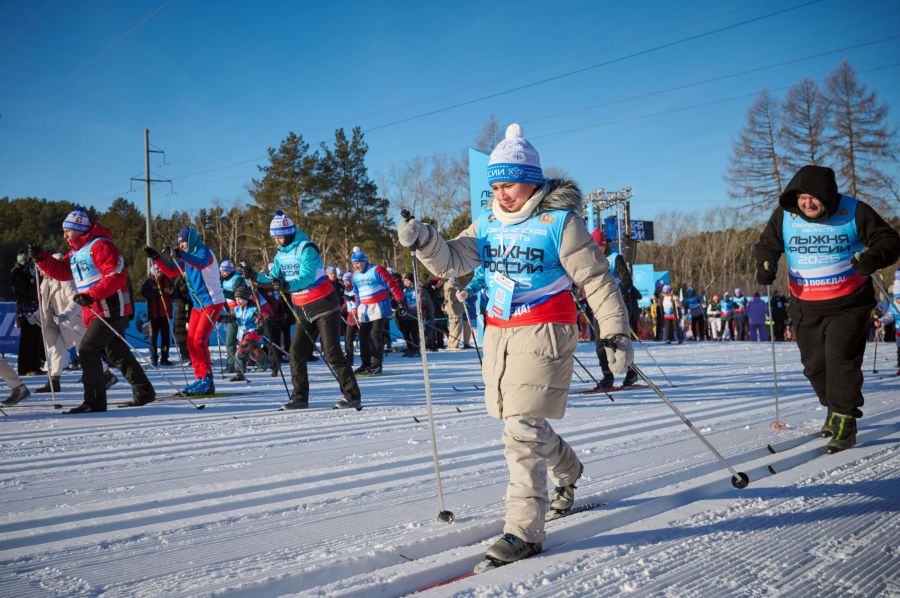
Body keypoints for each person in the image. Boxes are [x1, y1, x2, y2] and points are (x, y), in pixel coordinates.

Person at [397, 123, 633, 569]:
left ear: (531, 181)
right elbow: (453, 260)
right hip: (499, 332)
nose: (501, 195)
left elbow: (597, 280)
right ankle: (569, 470)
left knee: (521, 427)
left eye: (508, 185)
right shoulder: (488, 221)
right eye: (495, 187)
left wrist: (614, 332)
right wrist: (425, 240)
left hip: (547, 330)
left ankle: (524, 531)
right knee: (519, 418)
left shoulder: (560, 223)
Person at [754, 165, 900, 452]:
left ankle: (845, 418)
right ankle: (833, 407)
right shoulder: (785, 215)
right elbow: (767, 245)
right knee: (815, 366)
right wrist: (765, 265)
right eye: (802, 198)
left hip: (849, 303)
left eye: (814, 197)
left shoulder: (854, 211)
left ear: (828, 196)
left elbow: (889, 241)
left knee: (840, 359)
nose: (807, 203)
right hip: (805, 304)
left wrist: (873, 257)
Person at [32, 208, 155, 412]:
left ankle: (94, 401)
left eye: (68, 231)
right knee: (116, 351)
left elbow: (116, 275)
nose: (65, 236)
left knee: (87, 350)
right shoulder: (76, 252)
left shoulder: (100, 245)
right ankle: (144, 391)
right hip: (94, 308)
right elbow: (62, 271)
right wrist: (42, 258)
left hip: (110, 306)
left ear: (79, 229)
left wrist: (92, 295)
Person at [264, 211, 362, 410]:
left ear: (289, 233)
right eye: (274, 238)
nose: (277, 241)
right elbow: (272, 279)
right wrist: (253, 277)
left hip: (324, 305)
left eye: (279, 237)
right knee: (296, 352)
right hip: (303, 310)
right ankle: (299, 398)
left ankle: (352, 395)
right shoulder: (280, 254)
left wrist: (285, 285)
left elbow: (307, 277)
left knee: (332, 352)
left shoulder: (306, 248)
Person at [145, 226, 225, 396]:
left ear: (191, 241)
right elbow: (171, 272)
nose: (182, 247)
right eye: (180, 245)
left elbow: (201, 263)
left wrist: (181, 255)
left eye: (184, 244)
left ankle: (207, 380)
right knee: (190, 342)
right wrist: (157, 258)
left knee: (199, 341)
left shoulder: (205, 252)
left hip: (211, 302)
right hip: (198, 304)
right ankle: (200, 377)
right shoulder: (188, 259)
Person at [350, 247, 406, 375]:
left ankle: (376, 364)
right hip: (364, 308)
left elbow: (392, 284)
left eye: (358, 263)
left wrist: (400, 301)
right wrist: (358, 308)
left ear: (364, 261)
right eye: (354, 264)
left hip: (379, 306)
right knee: (363, 336)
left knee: (375, 334)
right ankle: (365, 364)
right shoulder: (355, 275)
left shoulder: (377, 270)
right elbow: (357, 294)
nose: (356, 266)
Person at [35, 253, 85, 392]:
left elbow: (76, 301)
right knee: (57, 349)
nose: (40, 272)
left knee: (85, 350)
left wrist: (65, 315)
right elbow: (47, 305)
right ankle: (54, 382)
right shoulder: (46, 283)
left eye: (42, 269)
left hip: (74, 322)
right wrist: (36, 315)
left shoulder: (66, 280)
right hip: (60, 324)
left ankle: (105, 374)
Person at [11, 249, 45, 376]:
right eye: (23, 259)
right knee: (27, 341)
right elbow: (25, 290)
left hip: (34, 309)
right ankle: (24, 367)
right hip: (25, 311)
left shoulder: (28, 271)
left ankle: (35, 366)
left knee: (36, 339)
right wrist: (32, 281)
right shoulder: (16, 273)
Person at [231, 286, 273, 379]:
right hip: (242, 335)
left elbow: (259, 319)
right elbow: (229, 318)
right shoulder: (237, 309)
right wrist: (219, 318)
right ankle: (271, 364)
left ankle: (239, 373)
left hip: (252, 334)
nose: (238, 301)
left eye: (240, 299)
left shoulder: (253, 308)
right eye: (236, 299)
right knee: (255, 355)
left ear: (246, 298)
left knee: (240, 352)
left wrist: (260, 327)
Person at [140, 264, 174, 367]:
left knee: (166, 338)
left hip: (165, 314)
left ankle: (165, 358)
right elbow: (145, 293)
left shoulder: (167, 280)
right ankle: (153, 358)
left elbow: (175, 293)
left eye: (161, 270)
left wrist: (172, 291)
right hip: (153, 315)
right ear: (153, 271)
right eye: (158, 270)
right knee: (152, 338)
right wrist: (160, 291)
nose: (160, 272)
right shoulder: (149, 281)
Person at [218, 259, 245, 374]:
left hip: (241, 311)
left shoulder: (237, 279)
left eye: (224, 271)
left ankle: (243, 364)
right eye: (221, 271)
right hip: (231, 312)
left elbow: (239, 295)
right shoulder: (222, 280)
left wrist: (223, 292)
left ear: (230, 270)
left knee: (243, 341)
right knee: (229, 340)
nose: (222, 273)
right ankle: (230, 365)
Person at [442, 277, 471, 350]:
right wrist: (452, 280)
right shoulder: (449, 285)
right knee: (455, 328)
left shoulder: (455, 286)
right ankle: (453, 345)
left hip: (457, 309)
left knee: (457, 328)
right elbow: (451, 291)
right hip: (454, 310)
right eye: (455, 278)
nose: (457, 279)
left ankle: (454, 344)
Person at [398, 274, 421, 356]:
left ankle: (416, 349)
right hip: (405, 315)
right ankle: (410, 348)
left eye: (408, 280)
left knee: (414, 332)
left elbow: (420, 301)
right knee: (406, 332)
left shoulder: (417, 289)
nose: (406, 282)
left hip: (415, 314)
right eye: (405, 280)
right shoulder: (403, 290)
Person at [340, 272, 360, 365]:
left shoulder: (356, 289)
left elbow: (359, 300)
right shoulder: (346, 291)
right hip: (350, 316)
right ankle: (349, 359)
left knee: (365, 338)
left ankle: (370, 357)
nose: (346, 283)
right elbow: (346, 304)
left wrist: (352, 299)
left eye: (348, 281)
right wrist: (341, 310)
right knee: (348, 339)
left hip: (359, 315)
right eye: (345, 281)